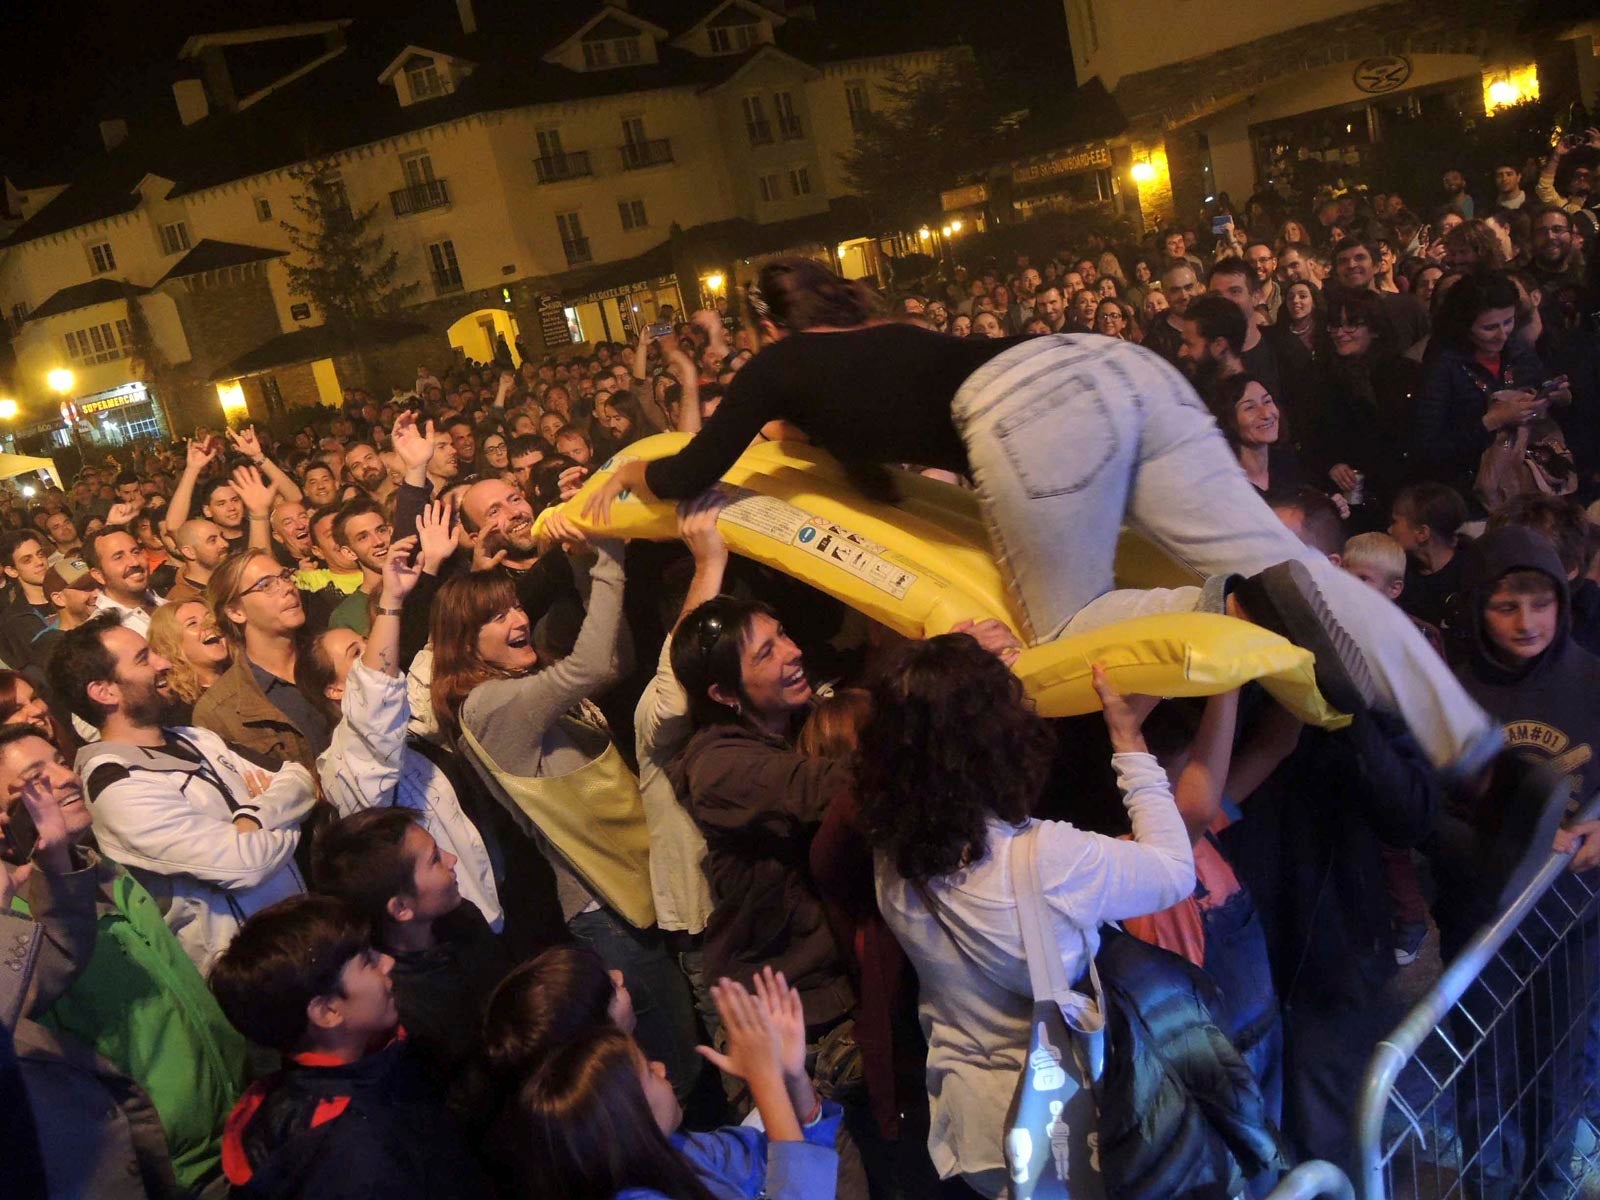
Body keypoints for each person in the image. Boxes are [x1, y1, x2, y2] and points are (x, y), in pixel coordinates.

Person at [586, 257, 1506, 796]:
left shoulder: (781, 368)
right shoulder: (895, 335)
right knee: (1287, 555)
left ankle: (1231, 600)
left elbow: (692, 469)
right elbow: (876, 470)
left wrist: (637, 467)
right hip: (1112, 366)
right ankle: (1482, 750)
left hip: (1022, 410)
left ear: (766, 319)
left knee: (1059, 629)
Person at [858, 638, 1196, 1196]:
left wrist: (932, 676)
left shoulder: (891, 854)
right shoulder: (1048, 859)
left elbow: (916, 738)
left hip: (974, 1124)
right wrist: (1129, 742)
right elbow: (1173, 870)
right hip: (1066, 1124)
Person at [430, 524, 699, 1095]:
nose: (518, 620)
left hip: (626, 882)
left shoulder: (520, 685)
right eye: (495, 618)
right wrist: (608, 556)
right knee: (676, 1065)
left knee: (682, 1041)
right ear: (464, 642)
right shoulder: (488, 704)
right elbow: (594, 664)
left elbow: (617, 658)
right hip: (604, 906)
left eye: (513, 606)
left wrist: (581, 566)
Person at [0, 724, 251, 1194]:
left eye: (58, 760)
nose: (66, 776)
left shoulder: (104, 868)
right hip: (175, 1168)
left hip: (238, 1123)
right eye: (38, 777)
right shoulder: (19, 935)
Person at [47, 613, 316, 971]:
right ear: (104, 691)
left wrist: (255, 816)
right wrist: (286, 814)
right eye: (144, 658)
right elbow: (247, 864)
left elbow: (299, 778)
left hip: (305, 930)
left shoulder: (197, 738)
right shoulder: (116, 788)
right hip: (255, 970)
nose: (165, 663)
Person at [208, 894, 488, 1200]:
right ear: (327, 1012)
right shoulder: (352, 1155)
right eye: (368, 961)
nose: (388, 961)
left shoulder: (371, 1059)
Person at [304, 508, 503, 930]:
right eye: (357, 654)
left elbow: (426, 652)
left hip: (489, 899)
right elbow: (374, 705)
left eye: (367, 643)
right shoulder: (347, 759)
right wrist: (391, 603)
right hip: (447, 921)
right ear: (335, 690)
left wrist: (458, 575)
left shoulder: (405, 718)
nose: (375, 656)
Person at [667, 592, 855, 1032]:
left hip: (833, 980)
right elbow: (827, 789)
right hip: (791, 1011)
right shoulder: (719, 768)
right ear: (724, 693)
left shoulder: (798, 717)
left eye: (783, 634)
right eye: (767, 653)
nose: (794, 652)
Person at [502, 973, 841, 1200]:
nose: (662, 1067)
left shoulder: (678, 1147)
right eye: (648, 1072)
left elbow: (776, 1157)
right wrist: (766, 1081)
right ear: (625, 1116)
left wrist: (791, 1077)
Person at [311, 806, 510, 1087]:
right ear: (401, 907)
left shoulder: (462, 917)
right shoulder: (394, 1005)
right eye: (435, 860)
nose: (452, 859)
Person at [1414, 270, 1548, 504]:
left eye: (1508, 322)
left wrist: (1551, 397)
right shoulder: (1443, 364)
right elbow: (1428, 446)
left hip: (1527, 481)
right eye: (1489, 328)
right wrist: (1492, 421)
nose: (1501, 334)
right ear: (1464, 326)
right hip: (1469, 492)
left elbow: (1536, 387)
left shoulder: (1518, 349)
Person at [195, 549, 330, 771]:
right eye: (266, 585)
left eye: (285, 576)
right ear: (235, 612)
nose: (288, 588)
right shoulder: (219, 712)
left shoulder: (332, 656)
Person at [1388, 482, 1469, 630]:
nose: (1389, 530)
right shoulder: (1399, 572)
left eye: (1395, 522)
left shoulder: (1471, 575)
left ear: (1422, 533)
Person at [1208, 373, 1303, 496]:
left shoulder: (1287, 464)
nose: (1266, 414)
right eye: (1250, 408)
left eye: (1267, 401)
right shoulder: (1224, 486)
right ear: (1228, 419)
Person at [146, 599, 230, 716]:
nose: (210, 624)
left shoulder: (248, 675)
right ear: (171, 645)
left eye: (209, 618)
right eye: (192, 623)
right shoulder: (178, 708)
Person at [328, 498, 393, 635]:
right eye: (363, 537)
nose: (378, 542)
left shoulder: (421, 583)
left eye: (381, 530)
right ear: (349, 552)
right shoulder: (345, 617)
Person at [86, 525, 162, 637]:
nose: (134, 562)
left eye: (135, 552)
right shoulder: (101, 632)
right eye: (118, 557)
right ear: (99, 575)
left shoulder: (166, 604)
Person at [0, 530, 55, 667]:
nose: (39, 562)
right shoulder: (13, 621)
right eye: (27, 560)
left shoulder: (71, 593)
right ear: (12, 571)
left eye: (40, 554)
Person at [165, 518, 232, 605]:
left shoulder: (233, 577)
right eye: (212, 540)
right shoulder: (181, 602)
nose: (225, 544)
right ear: (189, 552)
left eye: (222, 536)